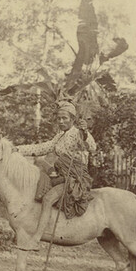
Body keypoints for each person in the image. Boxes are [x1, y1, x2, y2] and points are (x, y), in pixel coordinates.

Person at [15, 101, 96, 250]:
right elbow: (42, 148)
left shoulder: (77, 133)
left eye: (65, 118)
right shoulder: (59, 136)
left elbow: (91, 146)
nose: (61, 121)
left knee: (48, 198)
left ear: (72, 119)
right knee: (39, 164)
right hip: (62, 174)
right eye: (59, 118)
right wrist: (17, 149)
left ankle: (36, 239)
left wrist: (85, 132)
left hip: (75, 178)